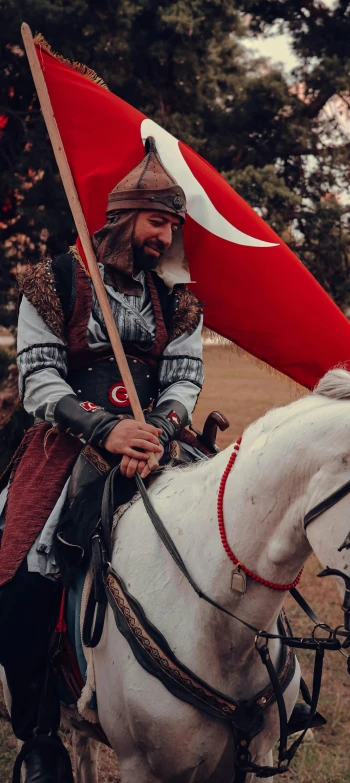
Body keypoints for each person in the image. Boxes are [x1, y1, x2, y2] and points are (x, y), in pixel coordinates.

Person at [0, 138, 204, 782]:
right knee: (23, 566)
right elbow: (37, 377)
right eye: (156, 221)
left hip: (160, 443)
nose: (164, 236)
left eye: (171, 226)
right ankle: (37, 737)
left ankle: (259, 697)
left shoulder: (178, 299)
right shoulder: (54, 281)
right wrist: (104, 430)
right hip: (67, 444)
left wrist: (163, 430)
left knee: (229, 537)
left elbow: (184, 377)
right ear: (122, 218)